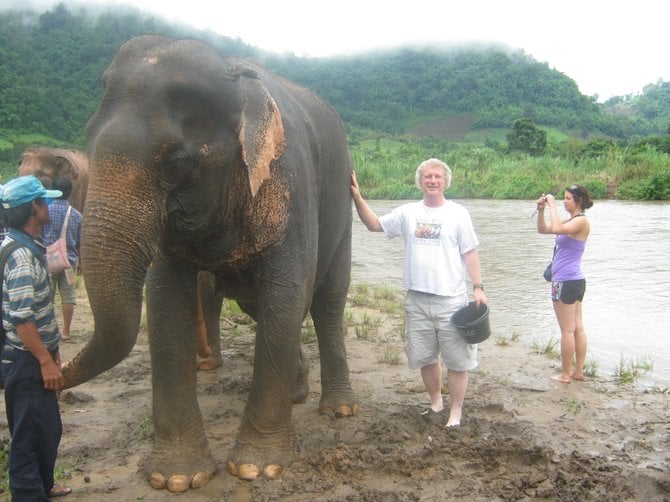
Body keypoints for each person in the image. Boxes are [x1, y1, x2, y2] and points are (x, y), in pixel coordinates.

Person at [351, 158, 487, 428]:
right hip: (417, 299)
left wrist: (478, 288)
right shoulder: (408, 212)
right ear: (420, 182)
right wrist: (356, 196)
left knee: (458, 361)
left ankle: (456, 412)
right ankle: (436, 403)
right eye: (428, 177)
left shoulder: (458, 214)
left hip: (451, 301)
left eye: (437, 176)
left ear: (445, 181)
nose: (433, 180)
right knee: (425, 357)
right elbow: (375, 225)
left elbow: (470, 253)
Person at [0, 175, 72, 499]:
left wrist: (52, 349)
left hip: (35, 356)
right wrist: (44, 359)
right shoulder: (21, 258)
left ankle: (44, 483)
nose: (50, 205)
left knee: (47, 428)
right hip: (27, 362)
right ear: (35, 207)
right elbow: (22, 319)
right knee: (29, 434)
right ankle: (29, 493)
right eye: (45, 200)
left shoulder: (25, 245)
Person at [536, 184, 593, 383]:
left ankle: (566, 374)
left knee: (569, 330)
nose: (564, 201)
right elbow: (544, 229)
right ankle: (577, 372)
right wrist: (542, 210)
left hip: (566, 281)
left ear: (578, 201)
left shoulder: (581, 221)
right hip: (573, 280)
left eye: (568, 198)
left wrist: (551, 204)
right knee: (576, 327)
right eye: (563, 198)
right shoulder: (571, 221)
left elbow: (558, 229)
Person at [41, 176, 82, 341]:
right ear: (69, 192)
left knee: (46, 297)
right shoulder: (77, 215)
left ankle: (47, 329)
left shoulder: (45, 212)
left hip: (47, 260)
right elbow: (80, 241)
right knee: (68, 297)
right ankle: (66, 331)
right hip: (69, 262)